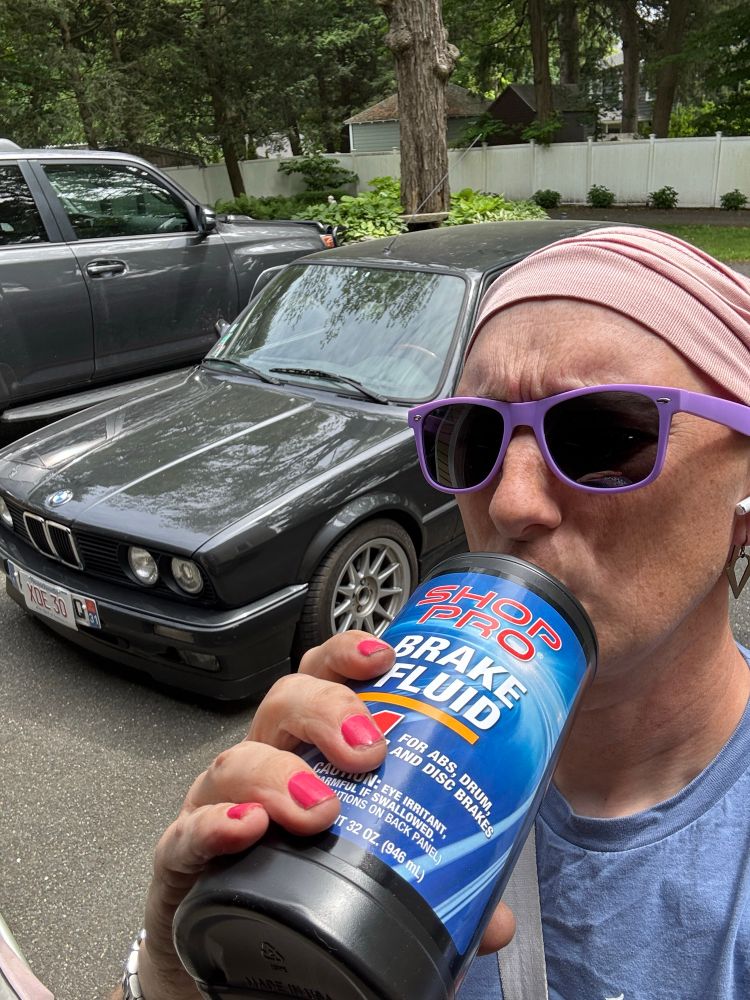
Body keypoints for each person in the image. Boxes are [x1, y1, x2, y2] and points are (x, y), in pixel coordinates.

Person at [113, 227, 750, 1000]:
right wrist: (173, 977)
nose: (511, 502)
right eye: (473, 439)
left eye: (603, 437)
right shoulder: (385, 758)